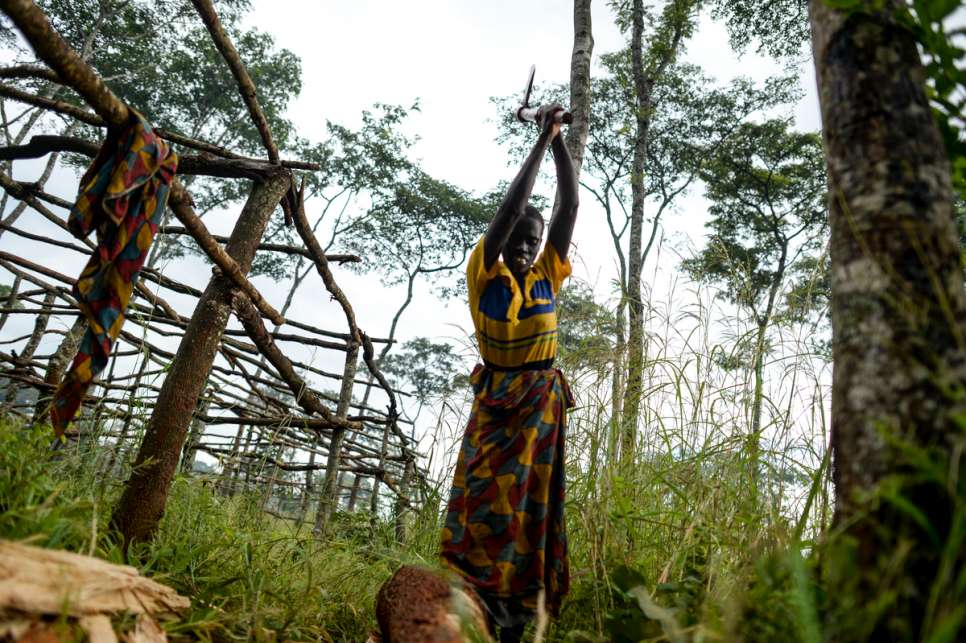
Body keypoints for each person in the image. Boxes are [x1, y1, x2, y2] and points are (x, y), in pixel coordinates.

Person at [441, 104, 578, 643]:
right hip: (496, 400)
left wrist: (560, 138)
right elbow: (511, 207)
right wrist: (540, 141)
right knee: (480, 500)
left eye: (532, 239)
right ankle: (472, 599)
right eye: (517, 238)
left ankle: (517, 618)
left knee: (530, 506)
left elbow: (568, 204)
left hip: (540, 403)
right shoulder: (484, 273)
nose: (524, 248)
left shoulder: (548, 272)